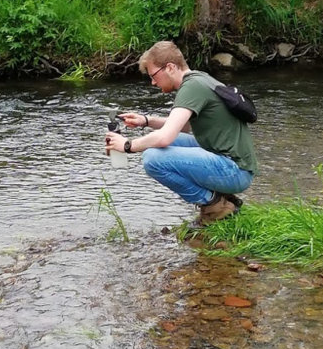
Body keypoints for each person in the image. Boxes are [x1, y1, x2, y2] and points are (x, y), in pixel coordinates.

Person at [105, 40, 258, 226]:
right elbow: (182, 128)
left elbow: (164, 137)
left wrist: (127, 146)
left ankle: (215, 206)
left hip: (235, 171)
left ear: (170, 67)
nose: (153, 82)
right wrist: (146, 121)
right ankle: (223, 199)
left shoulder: (191, 88)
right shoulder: (199, 79)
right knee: (171, 141)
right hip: (233, 162)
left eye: (154, 75)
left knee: (152, 158)